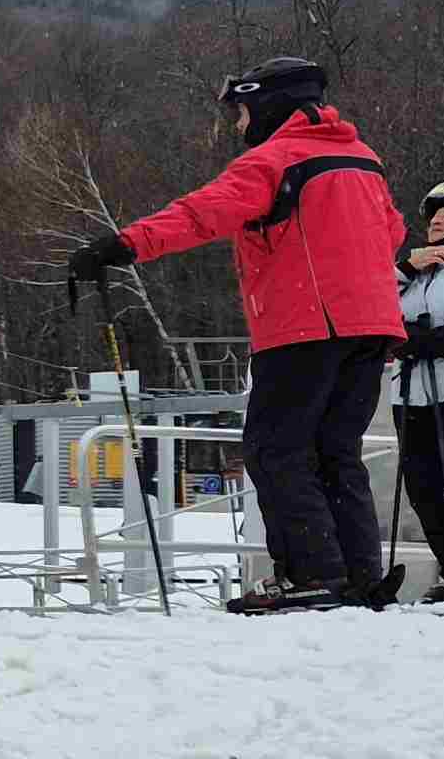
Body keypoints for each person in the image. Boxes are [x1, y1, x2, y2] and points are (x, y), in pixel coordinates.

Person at [68, 57, 407, 612]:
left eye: (243, 112)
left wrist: (124, 244)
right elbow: (392, 230)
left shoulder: (275, 159)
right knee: (336, 451)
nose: (238, 126)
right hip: (371, 327)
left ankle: (313, 573)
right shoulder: (364, 159)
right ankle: (359, 575)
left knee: (276, 450)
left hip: (303, 325)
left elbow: (204, 213)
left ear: (269, 106)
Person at [398, 178, 444, 601]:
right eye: (433, 217)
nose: (437, 222)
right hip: (410, 394)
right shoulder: (414, 272)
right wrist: (407, 268)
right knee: (423, 488)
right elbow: (368, 303)